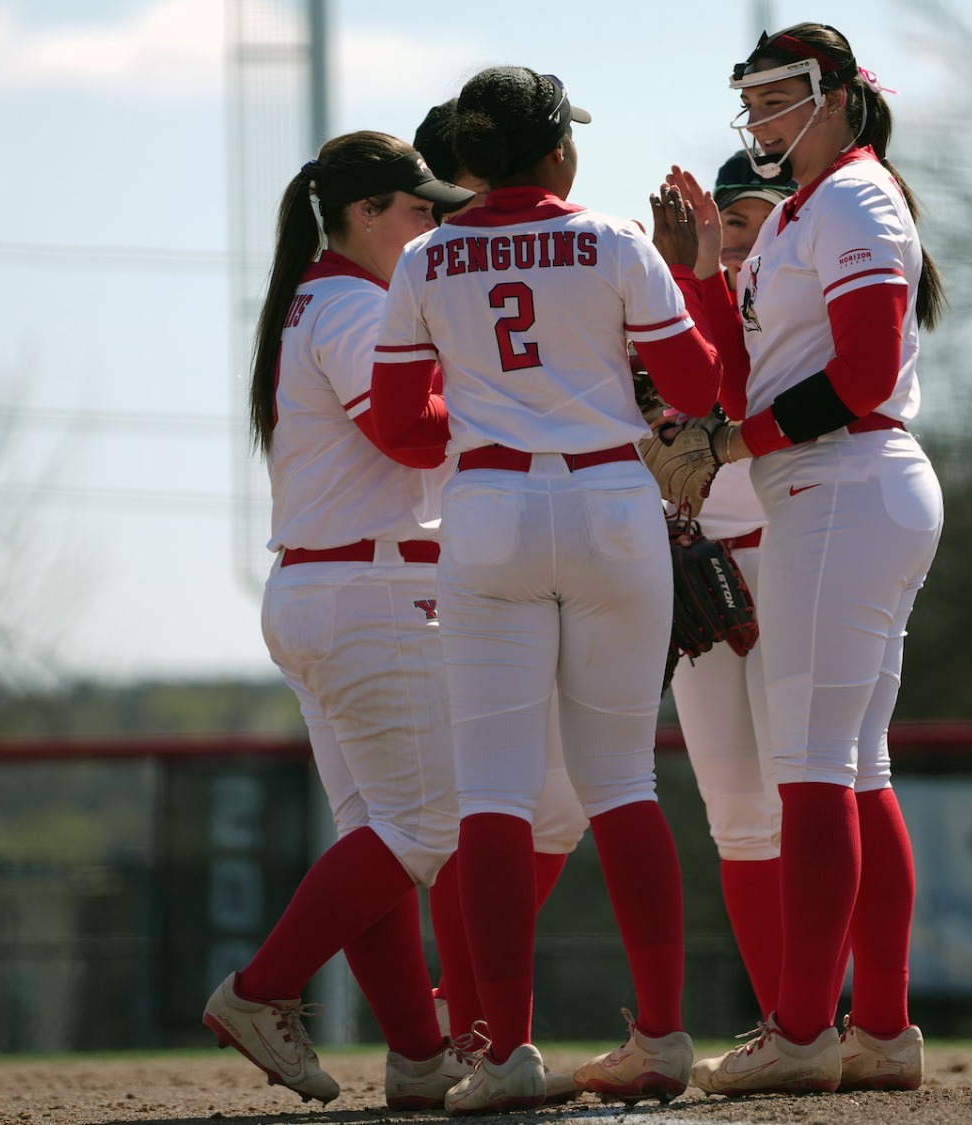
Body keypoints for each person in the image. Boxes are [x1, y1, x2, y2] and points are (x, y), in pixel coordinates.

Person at [369, 66, 723, 1114]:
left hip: (488, 514)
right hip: (611, 503)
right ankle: (660, 1039)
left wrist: (490, 404)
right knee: (621, 784)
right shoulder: (616, 240)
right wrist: (688, 279)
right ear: (558, 149)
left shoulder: (429, 256)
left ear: (468, 156)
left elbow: (397, 425)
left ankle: (501, 1052)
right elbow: (700, 390)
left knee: (492, 794)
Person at [664, 23, 946, 1097]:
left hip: (844, 483)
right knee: (852, 767)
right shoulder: (796, 214)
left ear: (838, 95)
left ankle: (799, 1030)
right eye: (751, 100)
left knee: (813, 767)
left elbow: (866, 374)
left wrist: (730, 446)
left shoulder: (858, 200)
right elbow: (735, 380)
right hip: (829, 489)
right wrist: (700, 279)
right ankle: (877, 1029)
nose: (760, 118)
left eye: (780, 95)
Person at [199, 129, 479, 1110]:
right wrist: (498, 397)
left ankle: (416, 1055)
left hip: (330, 589)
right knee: (424, 824)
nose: (431, 223)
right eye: (416, 209)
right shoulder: (355, 305)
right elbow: (402, 427)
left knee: (378, 836)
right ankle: (262, 989)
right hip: (374, 591)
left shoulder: (313, 299)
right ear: (363, 214)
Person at [408, 97, 591, 1109]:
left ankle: (461, 1020)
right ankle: (460, 1025)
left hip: (477, 544)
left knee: (534, 806)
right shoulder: (468, 255)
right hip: (490, 552)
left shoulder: (442, 258)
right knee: (511, 805)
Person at [647, 150, 796, 1023]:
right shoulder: (673, 303)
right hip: (705, 561)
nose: (733, 243)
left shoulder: (799, 298)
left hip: (791, 551)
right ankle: (785, 1020)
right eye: (725, 224)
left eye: (750, 223)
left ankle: (838, 1017)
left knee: (811, 792)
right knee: (738, 815)